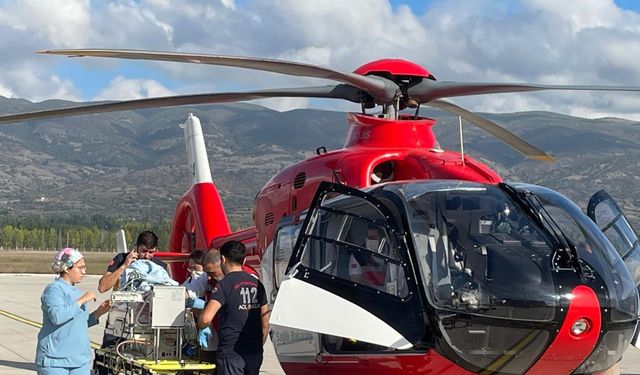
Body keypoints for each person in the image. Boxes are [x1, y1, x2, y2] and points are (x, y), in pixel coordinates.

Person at [35, 247, 111, 375]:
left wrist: (99, 312)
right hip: (55, 361)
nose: (84, 272)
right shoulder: (54, 290)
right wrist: (81, 300)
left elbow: (79, 323)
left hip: (79, 361)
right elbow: (57, 317)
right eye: (80, 267)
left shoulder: (77, 292)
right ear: (66, 268)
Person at [198, 241, 269, 375]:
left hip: (231, 352)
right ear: (244, 260)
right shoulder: (258, 284)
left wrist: (201, 325)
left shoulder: (223, 285)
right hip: (254, 352)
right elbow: (265, 319)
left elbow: (206, 318)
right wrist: (259, 343)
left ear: (223, 259)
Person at [98, 230, 166, 293]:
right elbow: (102, 287)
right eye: (144, 251)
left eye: (151, 252)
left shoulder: (159, 266)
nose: (147, 256)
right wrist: (124, 266)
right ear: (136, 248)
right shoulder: (121, 259)